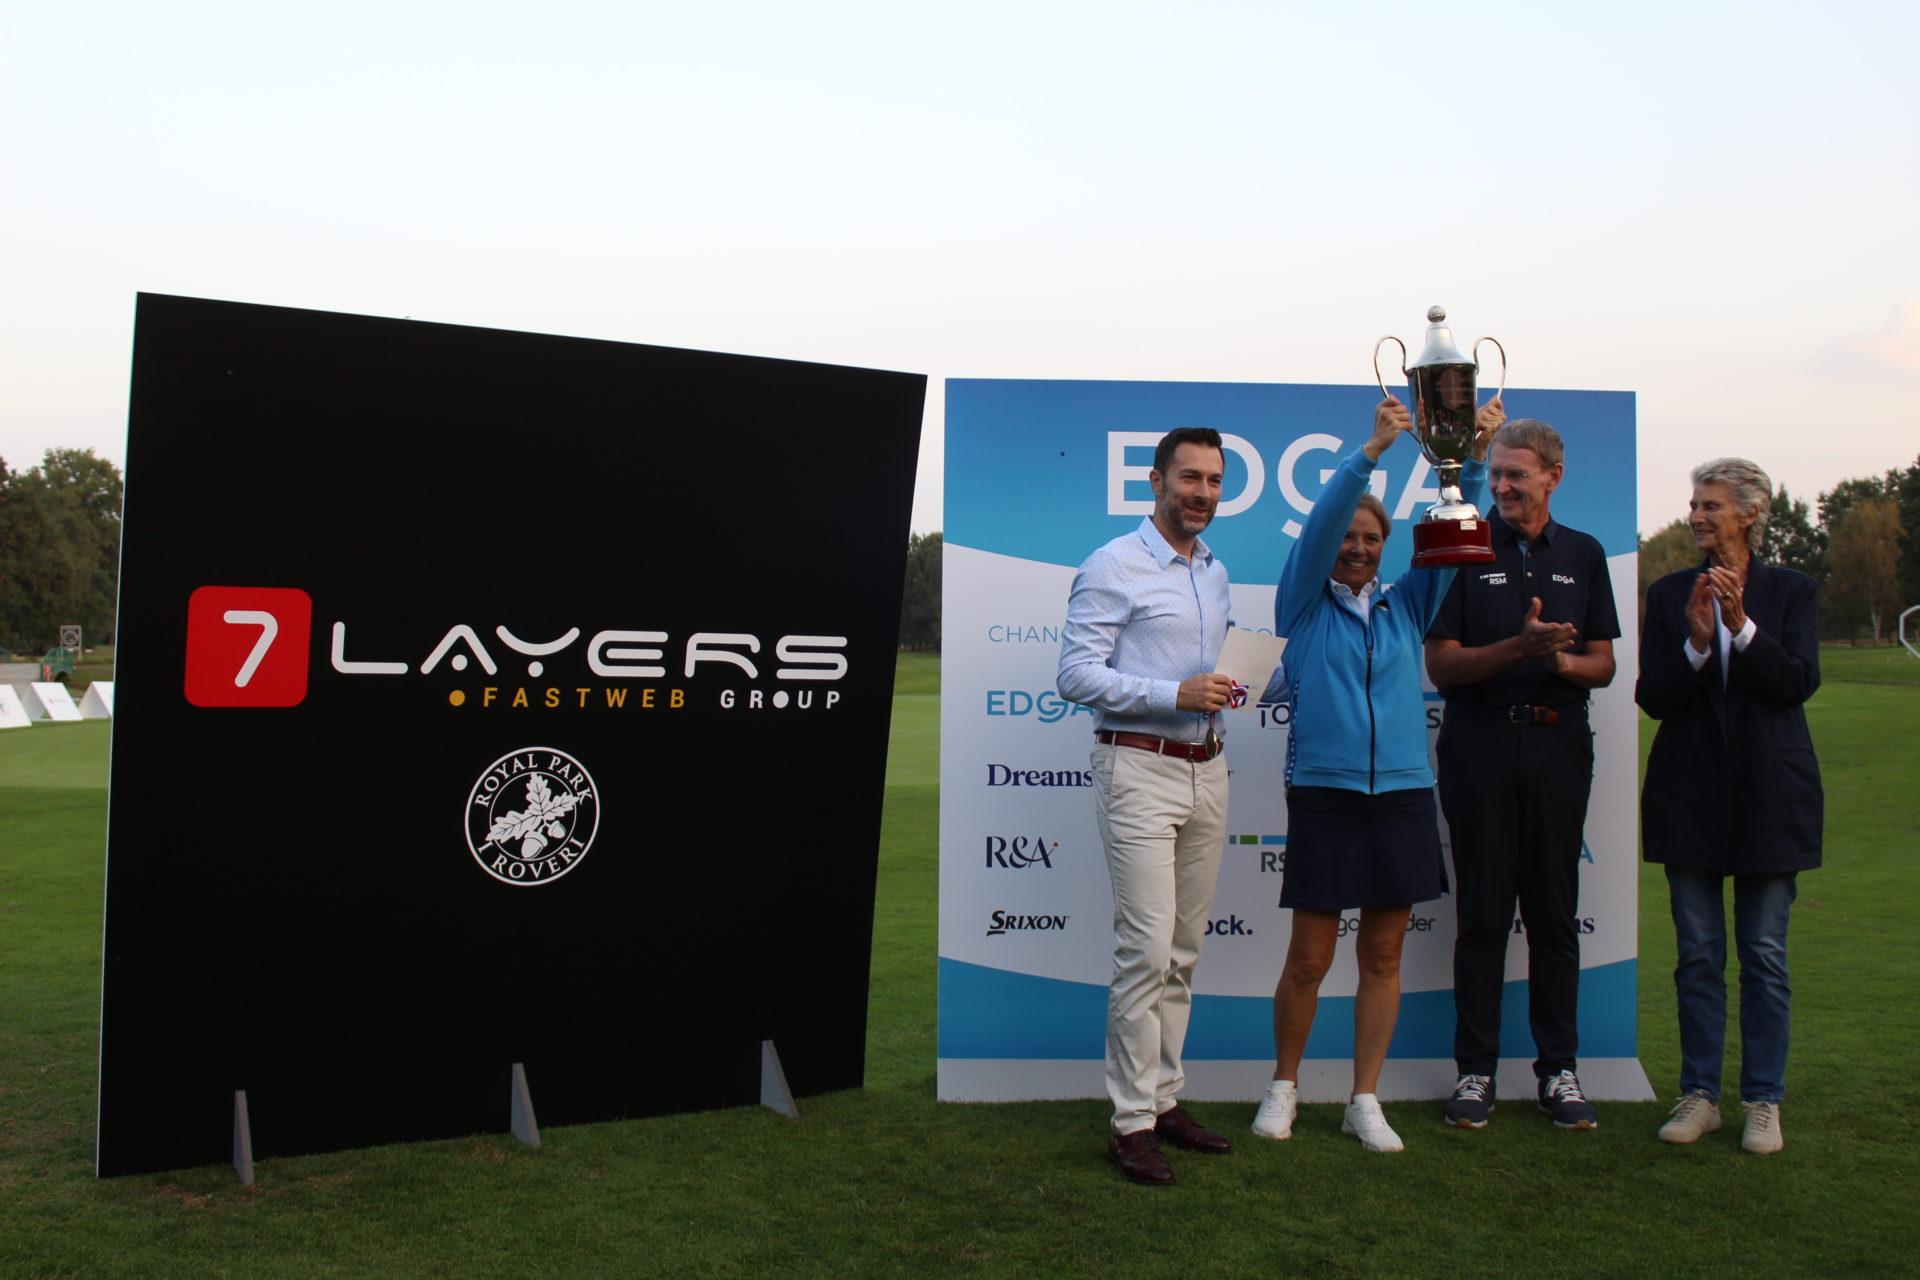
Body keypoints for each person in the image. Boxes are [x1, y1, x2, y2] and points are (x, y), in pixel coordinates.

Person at [1250, 394, 1498, 1153]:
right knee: (1309, 958)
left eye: (1370, 538)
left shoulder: (1409, 605)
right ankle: (1284, 1086)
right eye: (1347, 537)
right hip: (1326, 795)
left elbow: (1455, 536)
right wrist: (1371, 452)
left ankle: (1364, 1098)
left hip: (1402, 797)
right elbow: (1320, 527)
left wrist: (1474, 462)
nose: (1356, 548)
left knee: (1383, 956)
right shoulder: (1302, 606)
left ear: (1387, 547)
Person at [1057, 426, 1277, 1187]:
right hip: (1138, 769)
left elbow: (1216, 679)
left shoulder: (1215, 571)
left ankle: (1162, 1100)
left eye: (1214, 481)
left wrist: (1252, 680)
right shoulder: (1112, 564)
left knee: (1182, 951)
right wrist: (1171, 693)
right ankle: (1129, 1125)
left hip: (1207, 768)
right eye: (1190, 478)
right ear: (1156, 481)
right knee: (1146, 952)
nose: (1203, 493)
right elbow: (1075, 675)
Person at [1423, 418, 1619, 1131]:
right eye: (1496, 472)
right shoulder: (1463, 547)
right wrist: (1518, 647)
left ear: (1552, 477)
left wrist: (1557, 660)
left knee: (1553, 915)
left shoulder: (1585, 553)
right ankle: (1475, 1070)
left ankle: (1558, 1071)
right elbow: (1442, 666)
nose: (1502, 486)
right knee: (1482, 915)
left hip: (1559, 743)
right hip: (1478, 744)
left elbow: (1603, 665)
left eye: (1516, 474)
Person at [1637, 458, 1821, 1156]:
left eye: (1710, 505)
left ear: (1750, 513)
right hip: (1689, 799)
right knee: (1698, 956)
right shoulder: (1669, 594)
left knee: (1764, 957)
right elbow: (1653, 698)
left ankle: (1763, 1100)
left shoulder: (1792, 591)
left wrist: (1741, 630)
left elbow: (1796, 683)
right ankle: (1700, 1095)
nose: (1696, 516)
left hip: (1771, 798)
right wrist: (1697, 643)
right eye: (1694, 505)